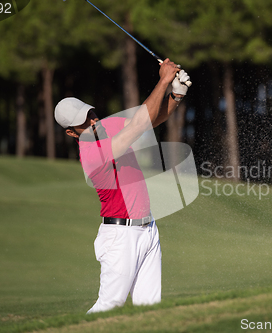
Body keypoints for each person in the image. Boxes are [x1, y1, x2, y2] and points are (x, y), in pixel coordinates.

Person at [53, 59, 190, 313]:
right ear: (72, 133)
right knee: (109, 306)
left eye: (90, 114)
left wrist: (176, 94)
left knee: (149, 310)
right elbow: (138, 124)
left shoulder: (108, 127)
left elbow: (149, 120)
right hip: (120, 237)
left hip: (148, 230)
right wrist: (162, 80)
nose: (92, 121)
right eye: (83, 122)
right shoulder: (92, 154)